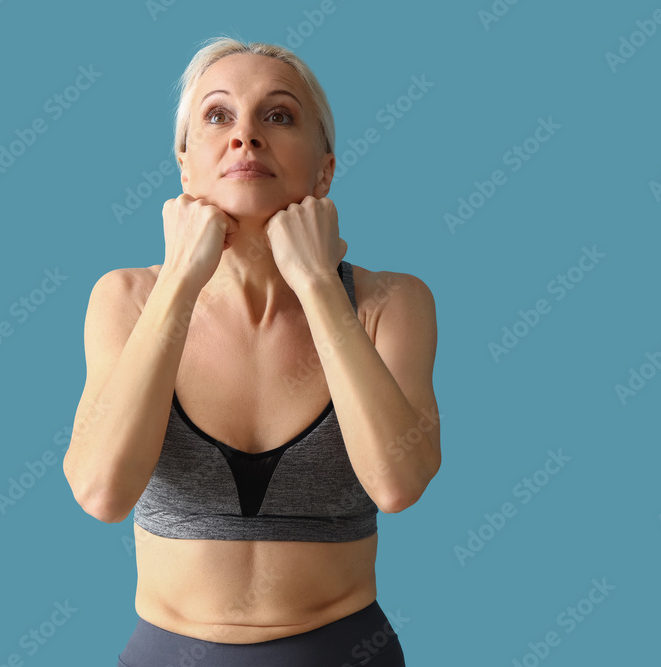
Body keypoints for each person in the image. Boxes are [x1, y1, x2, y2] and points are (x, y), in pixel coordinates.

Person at [62, 36, 440, 666]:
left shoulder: (389, 302)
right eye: (217, 116)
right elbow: (102, 493)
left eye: (279, 115)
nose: (245, 136)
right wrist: (180, 281)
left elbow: (398, 484)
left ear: (324, 169)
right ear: (184, 166)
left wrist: (319, 286)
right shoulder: (126, 298)